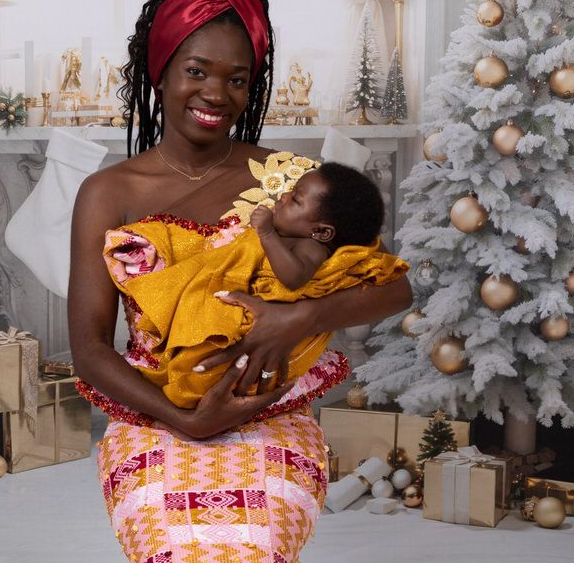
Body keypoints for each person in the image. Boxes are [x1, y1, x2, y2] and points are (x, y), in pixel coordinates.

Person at [68, 0, 412, 563]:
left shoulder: (291, 183)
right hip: (155, 416)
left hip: (270, 416)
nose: (216, 93)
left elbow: (394, 288)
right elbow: (87, 349)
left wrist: (302, 315)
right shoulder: (107, 193)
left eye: (237, 79)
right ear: (160, 69)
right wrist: (187, 419)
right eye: (196, 70)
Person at [102, 161, 409, 409]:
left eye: (296, 199)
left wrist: (265, 234)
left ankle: (193, 383)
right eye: (290, 191)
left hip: (254, 313)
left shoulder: (311, 249)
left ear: (323, 232)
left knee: (214, 335)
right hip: (229, 286)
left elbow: (291, 279)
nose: (284, 196)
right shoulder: (295, 229)